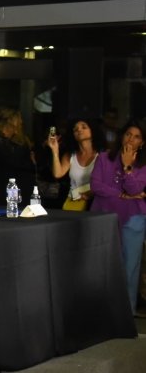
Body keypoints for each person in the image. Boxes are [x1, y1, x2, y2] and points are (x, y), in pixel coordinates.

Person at [89, 120, 146, 313]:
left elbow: (136, 188)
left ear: (142, 143)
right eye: (128, 134)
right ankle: (101, 311)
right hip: (104, 216)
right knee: (101, 263)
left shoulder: (143, 165)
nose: (131, 138)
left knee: (129, 266)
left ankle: (126, 311)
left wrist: (128, 167)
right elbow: (96, 185)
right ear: (122, 136)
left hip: (133, 217)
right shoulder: (104, 157)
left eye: (137, 136)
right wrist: (121, 194)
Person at [0, 107, 37, 206]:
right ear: (11, 121)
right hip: (3, 189)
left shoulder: (21, 141)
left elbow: (30, 164)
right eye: (18, 119)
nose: (21, 122)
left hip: (24, 188)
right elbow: (10, 162)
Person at [48, 118, 101, 211]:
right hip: (73, 203)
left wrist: (90, 193)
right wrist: (55, 151)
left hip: (95, 203)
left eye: (84, 127)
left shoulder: (102, 155)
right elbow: (57, 174)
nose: (79, 130)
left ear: (93, 131)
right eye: (75, 129)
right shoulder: (70, 155)